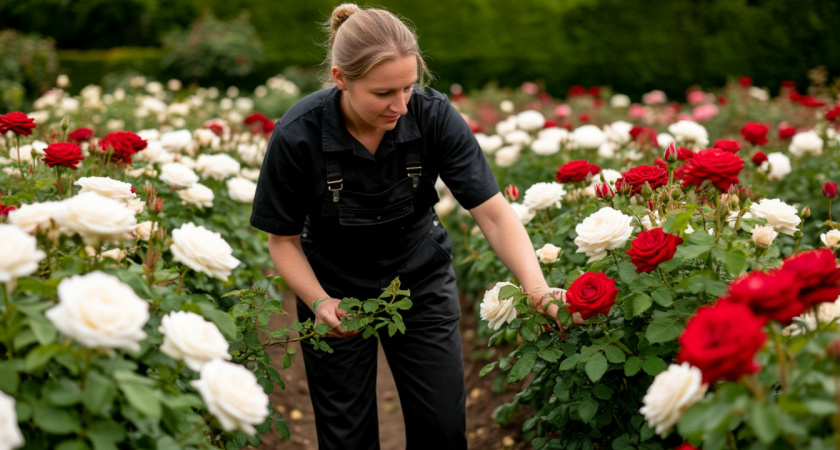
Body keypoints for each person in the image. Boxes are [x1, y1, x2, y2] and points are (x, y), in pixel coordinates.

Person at [250, 4, 560, 449]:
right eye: (382, 93)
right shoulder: (298, 134)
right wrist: (319, 302)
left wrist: (536, 287)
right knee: (345, 438)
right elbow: (282, 242)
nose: (400, 105)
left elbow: (493, 213)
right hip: (333, 289)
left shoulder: (433, 116)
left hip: (420, 279)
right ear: (341, 78)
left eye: (408, 87)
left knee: (442, 430)